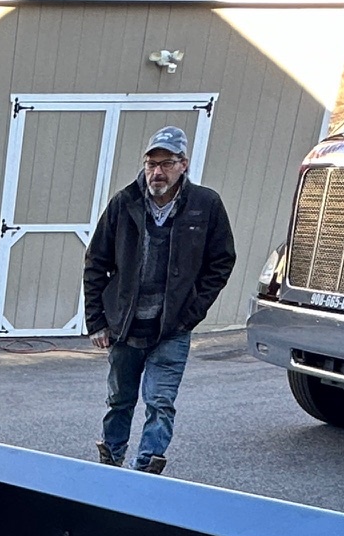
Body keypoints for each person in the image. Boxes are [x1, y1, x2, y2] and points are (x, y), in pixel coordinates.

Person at [82, 126, 236, 474]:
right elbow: (96, 262)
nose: (157, 172)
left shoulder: (205, 205)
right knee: (120, 400)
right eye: (151, 163)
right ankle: (110, 462)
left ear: (183, 164)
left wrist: (192, 313)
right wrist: (97, 321)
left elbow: (221, 261)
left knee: (160, 402)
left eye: (166, 163)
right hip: (125, 326)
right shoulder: (125, 202)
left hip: (172, 328)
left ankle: (146, 472)